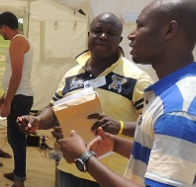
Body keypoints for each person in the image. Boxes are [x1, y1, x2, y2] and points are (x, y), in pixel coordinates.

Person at [58, 0, 196, 187]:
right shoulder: (182, 91)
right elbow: (160, 154)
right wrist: (116, 144)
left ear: (170, 30)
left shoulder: (181, 108)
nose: (131, 35)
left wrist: (85, 157)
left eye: (141, 25)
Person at [18, 12, 153, 187]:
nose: (103, 36)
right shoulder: (72, 75)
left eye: (110, 33)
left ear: (120, 40)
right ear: (89, 35)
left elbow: (152, 129)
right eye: (98, 31)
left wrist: (118, 127)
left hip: (110, 176)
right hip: (70, 168)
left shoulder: (137, 79)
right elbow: (54, 111)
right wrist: (36, 121)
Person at [0, 11, 34, 187]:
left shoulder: (17, 42)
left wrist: (8, 103)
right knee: (15, 138)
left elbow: (17, 75)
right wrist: (5, 95)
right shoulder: (19, 41)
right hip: (18, 95)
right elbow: (16, 74)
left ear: (4, 27)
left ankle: (19, 180)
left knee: (16, 139)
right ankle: (18, 173)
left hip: (19, 98)